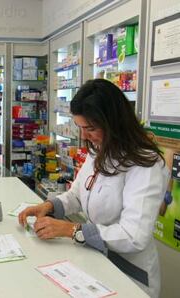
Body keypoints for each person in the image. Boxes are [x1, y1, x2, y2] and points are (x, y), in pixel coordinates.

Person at [19, 79, 169, 298]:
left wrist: (70, 230)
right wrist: (49, 206)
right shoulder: (99, 150)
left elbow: (133, 236)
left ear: (114, 122)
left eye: (90, 128)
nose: (84, 136)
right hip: (95, 261)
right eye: (80, 128)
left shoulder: (146, 164)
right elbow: (78, 194)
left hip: (129, 274)